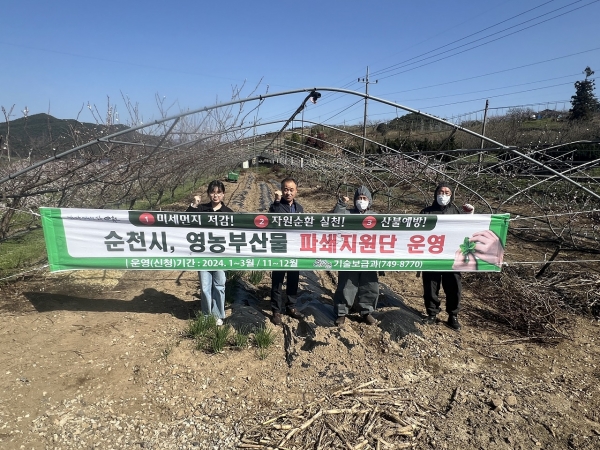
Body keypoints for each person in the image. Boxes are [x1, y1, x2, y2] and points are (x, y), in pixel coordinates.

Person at [419, 181, 474, 331]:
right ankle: (432, 313)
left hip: (452, 257)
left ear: (451, 195)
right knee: (430, 286)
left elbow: (467, 231)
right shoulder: (426, 212)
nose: (443, 195)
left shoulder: (456, 213)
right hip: (431, 257)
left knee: (454, 287)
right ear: (435, 194)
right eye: (440, 193)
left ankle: (453, 315)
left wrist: (469, 216)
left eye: (446, 193)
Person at [186, 180, 233, 326]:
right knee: (205, 286)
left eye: (219, 192)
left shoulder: (228, 213)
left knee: (219, 285)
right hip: (203, 255)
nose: (215, 195)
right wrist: (193, 205)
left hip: (221, 256)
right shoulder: (201, 209)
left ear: (223, 194)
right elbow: (186, 220)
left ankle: (219, 314)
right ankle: (206, 315)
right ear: (208, 193)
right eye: (213, 192)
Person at [332, 186, 379, 327]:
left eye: (364, 198)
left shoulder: (375, 216)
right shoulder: (348, 213)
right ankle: (342, 312)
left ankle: (366, 311)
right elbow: (335, 219)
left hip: (368, 256)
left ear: (369, 201)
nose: (361, 201)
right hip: (349, 255)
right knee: (347, 284)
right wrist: (340, 204)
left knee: (369, 284)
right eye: (359, 198)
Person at [268, 177, 305, 325]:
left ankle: (291, 306)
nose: (288, 192)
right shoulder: (275, 206)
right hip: (280, 247)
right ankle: (276, 310)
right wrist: (276, 201)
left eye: (291, 190)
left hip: (294, 249)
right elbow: (272, 218)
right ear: (281, 190)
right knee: (277, 280)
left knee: (293, 279)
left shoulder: (299, 208)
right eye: (285, 189)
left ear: (296, 191)